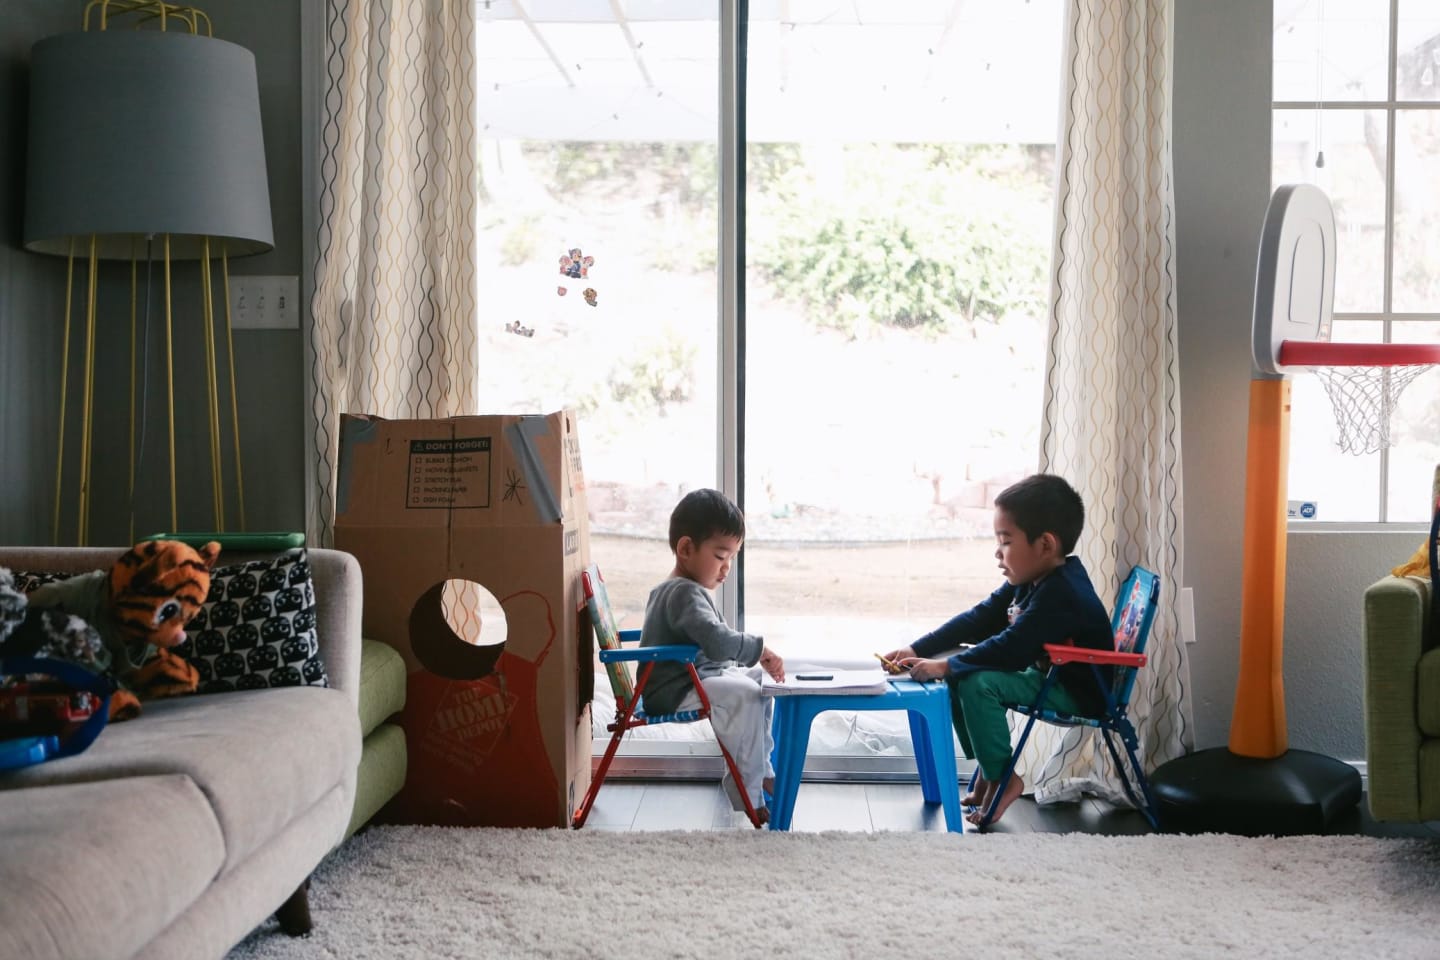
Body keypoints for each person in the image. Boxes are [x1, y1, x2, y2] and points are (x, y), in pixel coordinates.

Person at [881, 473, 1113, 826]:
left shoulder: (1062, 593)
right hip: (1047, 675)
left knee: (974, 679)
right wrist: (918, 647)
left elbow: (1013, 649)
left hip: (1075, 691)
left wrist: (947, 666)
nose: (997, 551)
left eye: (1006, 541)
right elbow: (979, 619)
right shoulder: (1030, 580)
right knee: (958, 667)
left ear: (1045, 545)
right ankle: (991, 772)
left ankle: (1004, 777)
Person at [639, 488, 785, 825]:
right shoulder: (682, 593)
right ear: (686, 549)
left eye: (732, 558)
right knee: (746, 695)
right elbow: (717, 643)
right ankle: (748, 791)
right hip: (673, 690)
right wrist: (759, 649)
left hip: (695, 678)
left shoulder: (682, 590)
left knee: (759, 685)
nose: (727, 568)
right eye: (721, 556)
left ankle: (761, 767)